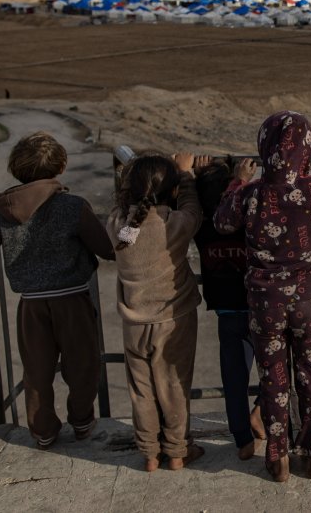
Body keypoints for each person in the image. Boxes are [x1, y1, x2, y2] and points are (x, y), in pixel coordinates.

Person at [215, 111, 311, 482]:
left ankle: (278, 461)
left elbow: (222, 223)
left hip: (265, 304)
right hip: (310, 303)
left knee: (274, 381)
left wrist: (235, 182)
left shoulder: (250, 195)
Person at [0, 132, 113, 450]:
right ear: (61, 166)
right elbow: (106, 249)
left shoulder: (4, 212)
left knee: (37, 372)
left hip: (30, 306)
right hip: (72, 299)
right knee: (83, 364)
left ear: (17, 169)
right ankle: (81, 420)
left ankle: (43, 430)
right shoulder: (73, 206)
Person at [108, 151, 204, 472]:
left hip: (133, 322)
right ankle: (177, 451)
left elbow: (123, 209)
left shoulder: (119, 226)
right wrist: (187, 175)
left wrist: (130, 189)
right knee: (173, 385)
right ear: (172, 191)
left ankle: (149, 454)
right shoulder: (174, 223)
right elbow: (194, 210)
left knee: (141, 391)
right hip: (173, 319)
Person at [192, 156, 265, 461]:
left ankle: (243, 441)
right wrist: (243, 181)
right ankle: (261, 410)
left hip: (225, 313)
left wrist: (190, 178)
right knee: (277, 368)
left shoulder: (200, 227)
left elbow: (190, 207)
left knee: (233, 380)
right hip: (257, 308)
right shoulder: (246, 222)